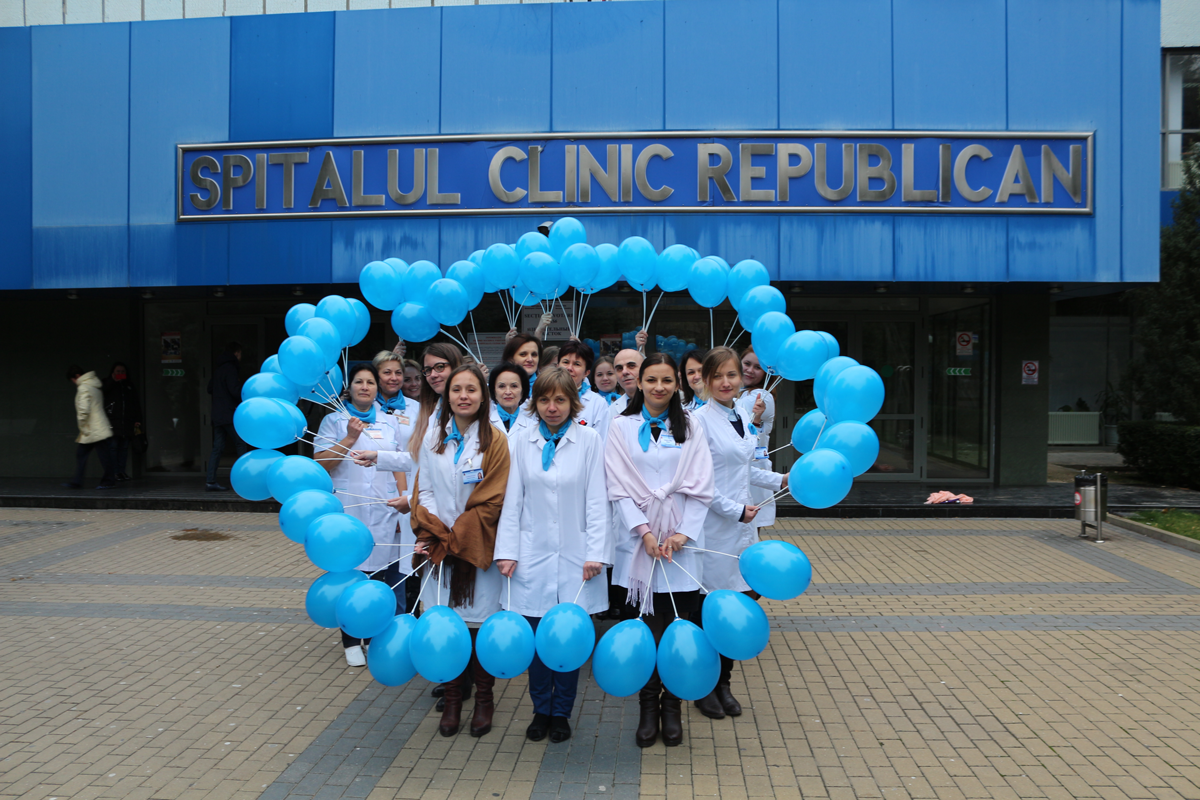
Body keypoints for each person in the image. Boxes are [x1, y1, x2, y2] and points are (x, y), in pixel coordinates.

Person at [495, 367, 610, 744]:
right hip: (531, 554)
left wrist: (596, 552)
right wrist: (507, 551)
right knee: (535, 638)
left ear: (573, 402)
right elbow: (512, 501)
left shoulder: (589, 439)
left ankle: (561, 712)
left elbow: (597, 501)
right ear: (535, 403)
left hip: (577, 556)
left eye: (560, 399)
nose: (552, 407)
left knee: (567, 636)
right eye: (544, 399)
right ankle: (540, 709)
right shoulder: (521, 440)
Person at [605, 354, 714, 748]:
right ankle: (648, 708)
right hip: (639, 544)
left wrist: (683, 534)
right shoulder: (620, 426)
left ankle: (673, 708)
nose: (659, 387)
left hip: (681, 545)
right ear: (639, 382)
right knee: (646, 630)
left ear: (677, 384)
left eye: (667, 380)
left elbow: (702, 485)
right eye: (651, 379)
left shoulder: (693, 425)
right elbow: (617, 486)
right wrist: (644, 532)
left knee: (677, 627)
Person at [410, 364, 510, 738]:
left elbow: (495, 498)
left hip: (477, 547)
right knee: (444, 626)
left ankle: (484, 699)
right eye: (456, 390)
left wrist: (457, 537)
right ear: (447, 395)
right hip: (440, 548)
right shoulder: (432, 436)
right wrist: (436, 530)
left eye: (471, 389)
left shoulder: (496, 439)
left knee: (480, 627)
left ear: (483, 397)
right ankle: (453, 699)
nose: (463, 396)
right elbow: (423, 489)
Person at [692, 347, 788, 719]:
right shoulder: (698, 421)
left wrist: (780, 479)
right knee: (711, 609)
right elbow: (698, 483)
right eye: (717, 376)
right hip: (714, 529)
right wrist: (735, 511)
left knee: (735, 606)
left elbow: (746, 469)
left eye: (731, 375)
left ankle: (724, 684)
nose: (726, 382)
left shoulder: (743, 416)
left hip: (743, 529)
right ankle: (704, 687)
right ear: (705, 380)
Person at [314, 363, 408, 667]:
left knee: (380, 577)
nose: (365, 387)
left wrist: (403, 502)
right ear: (349, 387)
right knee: (350, 576)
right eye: (359, 381)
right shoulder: (333, 420)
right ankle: (351, 639)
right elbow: (321, 465)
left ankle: (375, 635)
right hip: (348, 510)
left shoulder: (389, 421)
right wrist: (349, 438)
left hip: (384, 509)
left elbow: (397, 464)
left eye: (370, 382)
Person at [372, 351, 420, 615]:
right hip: (372, 493)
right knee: (371, 565)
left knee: (401, 568)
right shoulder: (367, 406)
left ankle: (401, 620)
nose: (394, 377)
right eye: (387, 372)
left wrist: (406, 499)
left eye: (398, 372)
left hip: (406, 491)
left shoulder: (416, 408)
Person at [736, 345, 777, 528]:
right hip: (734, 467)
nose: (750, 370)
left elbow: (731, 409)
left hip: (754, 468)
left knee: (750, 528)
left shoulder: (763, 396)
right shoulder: (740, 391)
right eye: (747, 364)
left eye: (757, 367)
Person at [64, 365, 117, 489]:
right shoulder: (94, 385)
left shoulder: (84, 387)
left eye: (73, 380)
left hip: (92, 428)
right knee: (97, 454)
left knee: (88, 455)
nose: (74, 383)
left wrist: (82, 426)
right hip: (98, 427)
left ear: (77, 376)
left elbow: (84, 410)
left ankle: (107, 481)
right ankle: (78, 481)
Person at [206, 341, 245, 491]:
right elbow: (235, 391)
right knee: (240, 443)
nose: (240, 357)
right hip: (229, 413)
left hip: (217, 414)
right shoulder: (231, 369)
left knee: (217, 448)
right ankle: (243, 479)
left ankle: (210, 481)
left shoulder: (219, 369)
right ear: (236, 353)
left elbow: (210, 388)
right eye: (240, 354)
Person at [556, 341, 610, 440]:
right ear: (557, 366)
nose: (569, 368)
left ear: (586, 373)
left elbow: (601, 442)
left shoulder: (598, 404)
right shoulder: (541, 397)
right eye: (565, 362)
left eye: (577, 364)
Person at [103, 362, 142, 481]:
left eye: (122, 371)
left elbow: (135, 403)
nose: (120, 374)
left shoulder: (129, 385)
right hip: (112, 422)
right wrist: (113, 381)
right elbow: (102, 392)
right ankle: (115, 472)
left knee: (124, 448)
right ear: (113, 372)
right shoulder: (107, 383)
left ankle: (121, 471)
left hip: (127, 422)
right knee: (113, 447)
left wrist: (137, 420)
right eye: (118, 371)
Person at [488, 362, 531, 436]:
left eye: (514, 386)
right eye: (502, 386)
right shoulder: (481, 424)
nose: (508, 392)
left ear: (523, 391)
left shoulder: (533, 426)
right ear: (494, 391)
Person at [607, 347, 645, 419]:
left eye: (631, 366)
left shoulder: (661, 403)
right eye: (619, 368)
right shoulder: (611, 411)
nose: (624, 372)